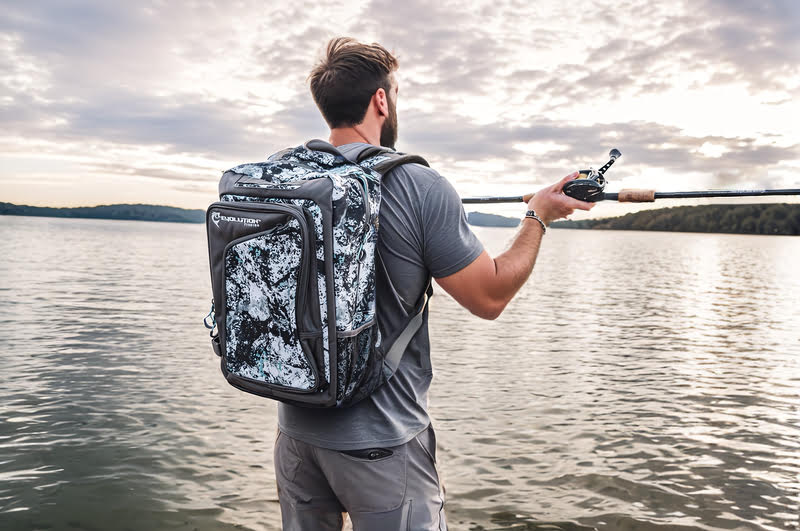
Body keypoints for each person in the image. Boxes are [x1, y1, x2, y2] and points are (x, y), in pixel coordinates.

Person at [273, 37, 594, 531]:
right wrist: (539, 215)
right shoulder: (420, 186)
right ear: (381, 100)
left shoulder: (285, 179)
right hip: (381, 443)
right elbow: (489, 297)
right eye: (394, 92)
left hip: (295, 436)